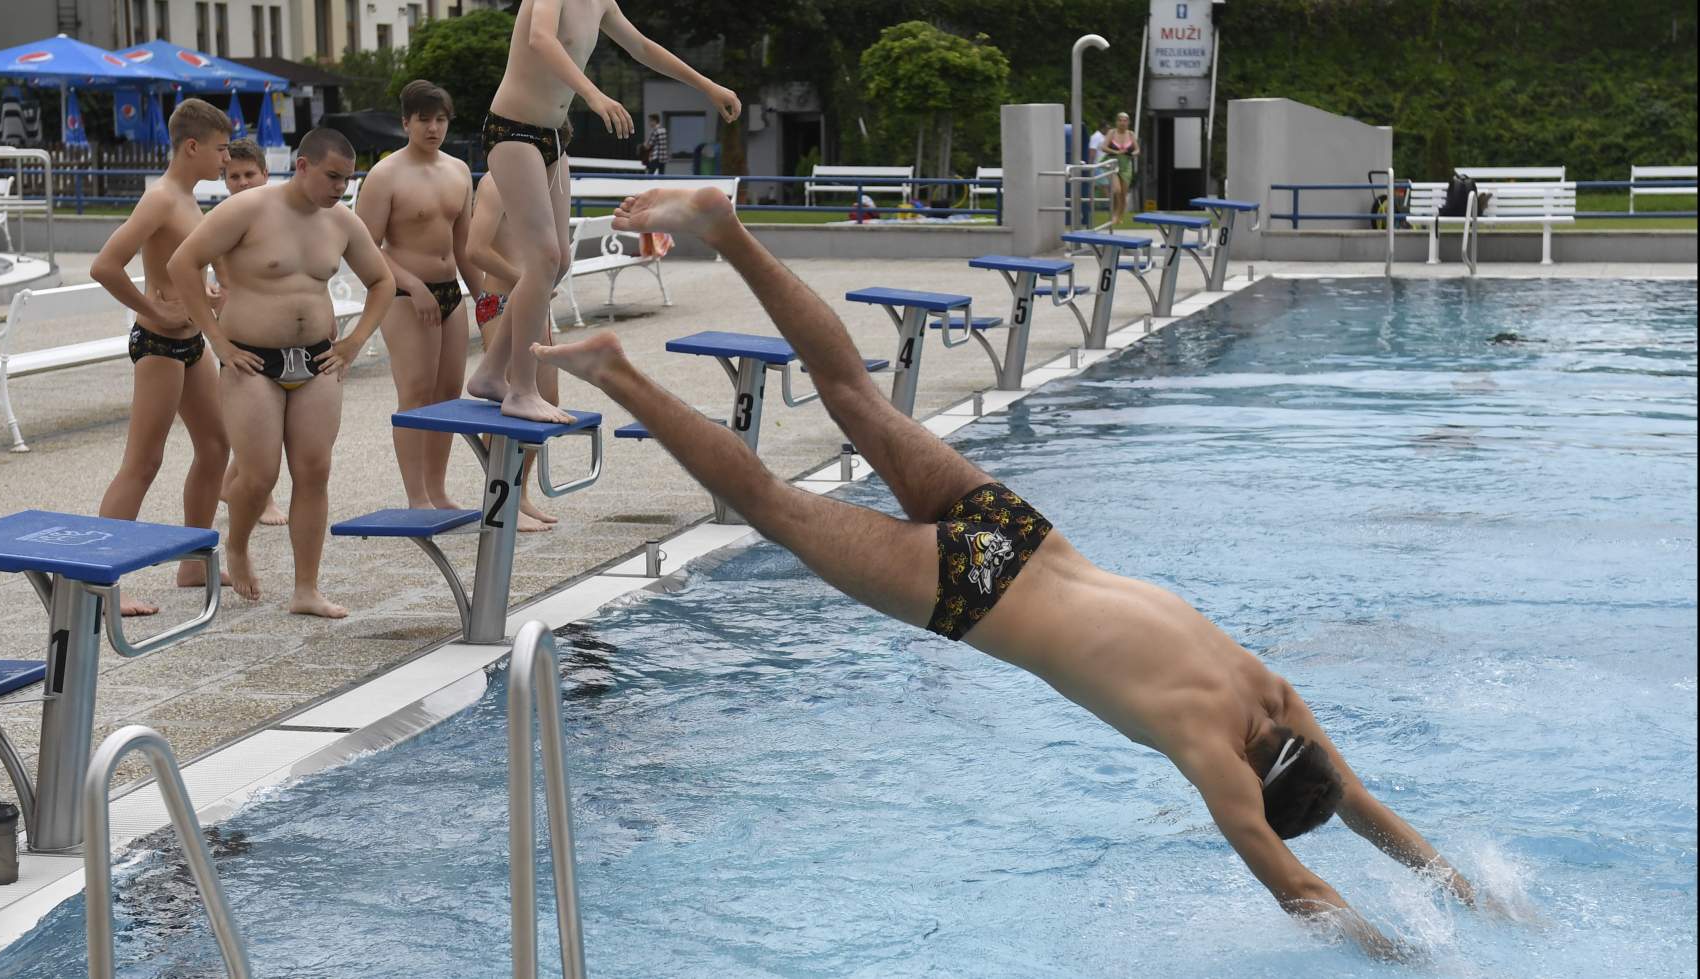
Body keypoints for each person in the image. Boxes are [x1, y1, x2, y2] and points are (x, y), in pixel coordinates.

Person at [533, 188, 1485, 962]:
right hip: (974, 589)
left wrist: (1467, 895)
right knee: (777, 509)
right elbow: (1302, 887)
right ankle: (618, 371)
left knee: (858, 395)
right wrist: (1400, 957)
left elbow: (1360, 805)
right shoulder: (1210, 753)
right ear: (1254, 778)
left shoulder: (1272, 693)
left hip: (1022, 533)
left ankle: (724, 227)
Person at [167, 127, 397, 619]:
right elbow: (183, 264)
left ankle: (306, 589)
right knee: (258, 473)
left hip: (316, 360)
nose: (340, 187)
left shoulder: (342, 222)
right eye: (333, 176)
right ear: (303, 166)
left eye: (347, 179)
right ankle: (237, 546)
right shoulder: (247, 209)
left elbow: (382, 281)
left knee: (314, 471)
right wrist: (218, 341)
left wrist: (354, 343)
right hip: (251, 360)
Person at [478, 0, 740, 423]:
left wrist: (707, 86)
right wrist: (594, 95)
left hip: (551, 139)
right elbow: (540, 38)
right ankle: (520, 389)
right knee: (543, 258)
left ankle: (490, 372)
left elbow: (642, 47)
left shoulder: (602, 2)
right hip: (513, 131)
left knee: (559, 261)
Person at [88, 98, 235, 617]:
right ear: (191, 146)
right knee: (143, 463)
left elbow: (181, 270)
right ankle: (102, 584)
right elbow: (105, 266)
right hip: (157, 345)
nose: (225, 159)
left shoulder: (190, 200)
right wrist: (154, 309)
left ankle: (193, 561)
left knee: (216, 447)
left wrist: (204, 296)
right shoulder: (162, 199)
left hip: (189, 344)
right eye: (220, 149)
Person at [355, 80, 481, 510]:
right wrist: (412, 284)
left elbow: (464, 245)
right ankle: (416, 497)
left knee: (449, 392)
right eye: (424, 119)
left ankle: (438, 489)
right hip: (406, 296)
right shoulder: (385, 175)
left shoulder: (459, 171)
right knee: (415, 391)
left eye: (441, 119)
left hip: (451, 293)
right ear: (405, 122)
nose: (433, 128)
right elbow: (365, 247)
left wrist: (484, 297)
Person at [465, 172, 558, 532]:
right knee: (509, 406)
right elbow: (476, 249)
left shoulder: (545, 180)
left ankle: (519, 492)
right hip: (501, 302)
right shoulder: (497, 182)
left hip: (533, 303)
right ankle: (499, 497)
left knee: (547, 397)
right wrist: (524, 281)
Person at [219, 138, 290, 527]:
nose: (243, 182)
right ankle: (260, 497)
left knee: (267, 420)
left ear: (266, 174)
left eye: (250, 174)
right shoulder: (225, 218)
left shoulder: (281, 213)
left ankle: (235, 484)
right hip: (242, 327)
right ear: (225, 180)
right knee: (259, 422)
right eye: (235, 176)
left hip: (277, 325)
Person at [1107, 112, 1141, 224]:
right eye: (1120, 120)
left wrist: (1132, 153)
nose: (1122, 122)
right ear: (1117, 122)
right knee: (1117, 190)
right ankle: (1114, 215)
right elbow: (1103, 147)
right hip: (1114, 164)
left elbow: (1137, 150)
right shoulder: (1112, 132)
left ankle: (1119, 216)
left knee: (1123, 194)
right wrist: (1116, 151)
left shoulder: (1131, 134)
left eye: (1125, 120)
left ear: (1128, 122)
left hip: (1126, 166)